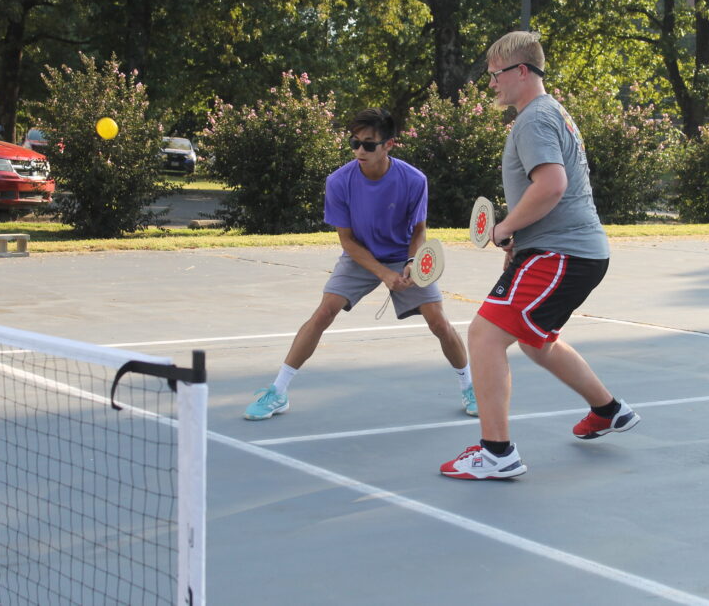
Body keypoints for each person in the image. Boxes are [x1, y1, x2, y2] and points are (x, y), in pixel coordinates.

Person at [440, 32, 639, 480]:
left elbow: (551, 185)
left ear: (522, 71)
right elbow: (549, 191)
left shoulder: (533, 119)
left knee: (485, 336)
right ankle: (607, 410)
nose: (491, 83)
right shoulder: (551, 114)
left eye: (496, 74)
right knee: (535, 340)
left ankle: (496, 453)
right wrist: (519, 240)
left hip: (563, 254)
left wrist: (507, 226)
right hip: (566, 252)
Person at [244, 107, 477, 420]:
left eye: (368, 144)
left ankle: (471, 388)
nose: (359, 151)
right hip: (360, 253)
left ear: (388, 145)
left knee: (438, 321)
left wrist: (410, 262)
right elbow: (347, 241)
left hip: (402, 253)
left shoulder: (413, 180)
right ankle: (278, 391)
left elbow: (419, 230)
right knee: (324, 312)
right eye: (354, 143)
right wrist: (383, 274)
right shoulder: (339, 181)